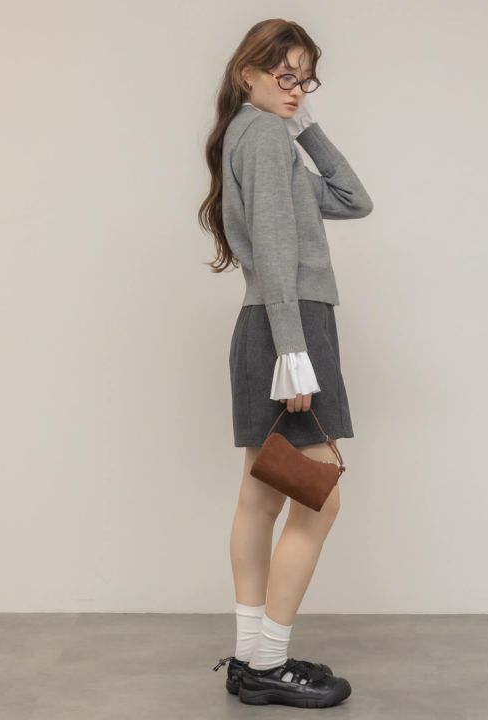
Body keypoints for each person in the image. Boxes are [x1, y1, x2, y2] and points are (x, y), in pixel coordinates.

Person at [198, 18, 373, 708]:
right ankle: (269, 661)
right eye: (284, 76)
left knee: (260, 496)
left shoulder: (256, 135)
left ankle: (250, 660)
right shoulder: (265, 137)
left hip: (263, 325)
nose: (296, 90)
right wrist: (295, 351)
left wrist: (308, 130)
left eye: (305, 80)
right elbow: (273, 248)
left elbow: (354, 200)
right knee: (318, 497)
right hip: (289, 325)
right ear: (248, 74)